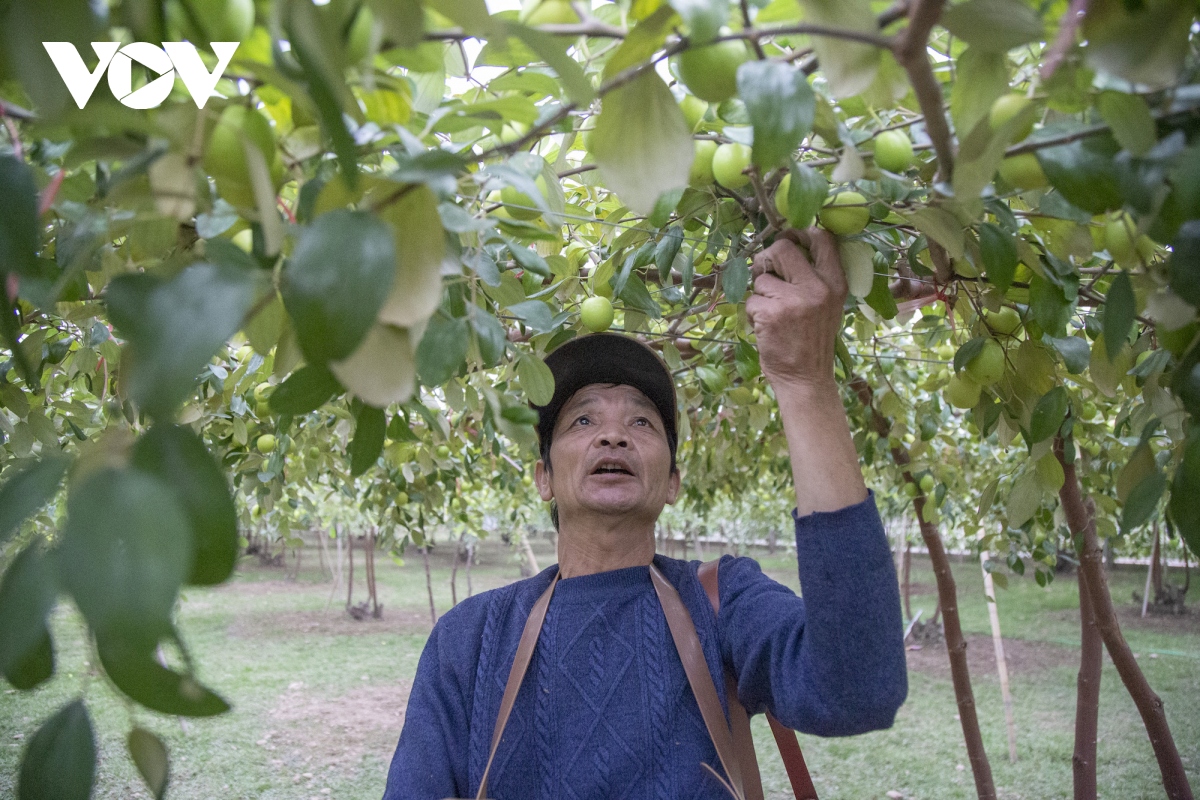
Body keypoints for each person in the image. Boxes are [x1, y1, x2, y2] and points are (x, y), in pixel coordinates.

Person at [383, 228, 907, 799]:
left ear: (673, 482)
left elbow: (859, 689)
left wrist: (805, 383)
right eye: (582, 420)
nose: (613, 434)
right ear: (543, 478)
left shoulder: (722, 602)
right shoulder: (470, 639)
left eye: (641, 422)